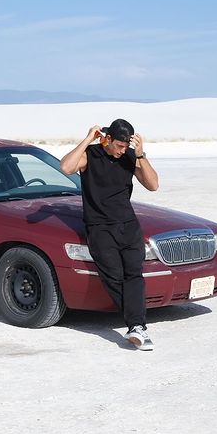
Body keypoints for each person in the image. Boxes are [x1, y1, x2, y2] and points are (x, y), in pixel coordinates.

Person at [60, 119, 159, 350]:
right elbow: (66, 167)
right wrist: (87, 139)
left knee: (134, 274)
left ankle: (136, 326)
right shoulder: (90, 155)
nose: (123, 150)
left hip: (128, 225)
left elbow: (153, 185)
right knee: (113, 277)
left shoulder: (130, 157)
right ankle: (137, 321)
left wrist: (141, 155)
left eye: (127, 146)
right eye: (120, 146)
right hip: (100, 228)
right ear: (107, 139)